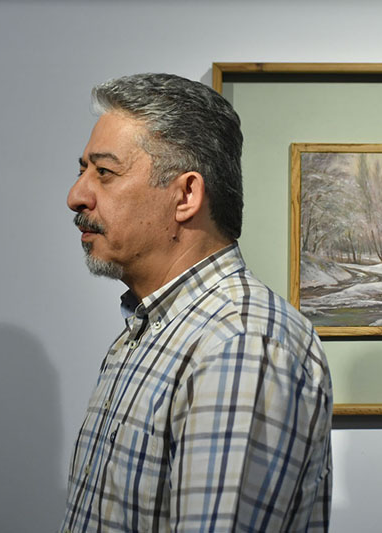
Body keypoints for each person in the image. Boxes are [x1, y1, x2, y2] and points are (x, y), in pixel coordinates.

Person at [60, 73, 332, 532]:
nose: (76, 196)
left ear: (186, 195)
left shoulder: (240, 345)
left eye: (104, 172)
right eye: (82, 170)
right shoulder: (154, 328)